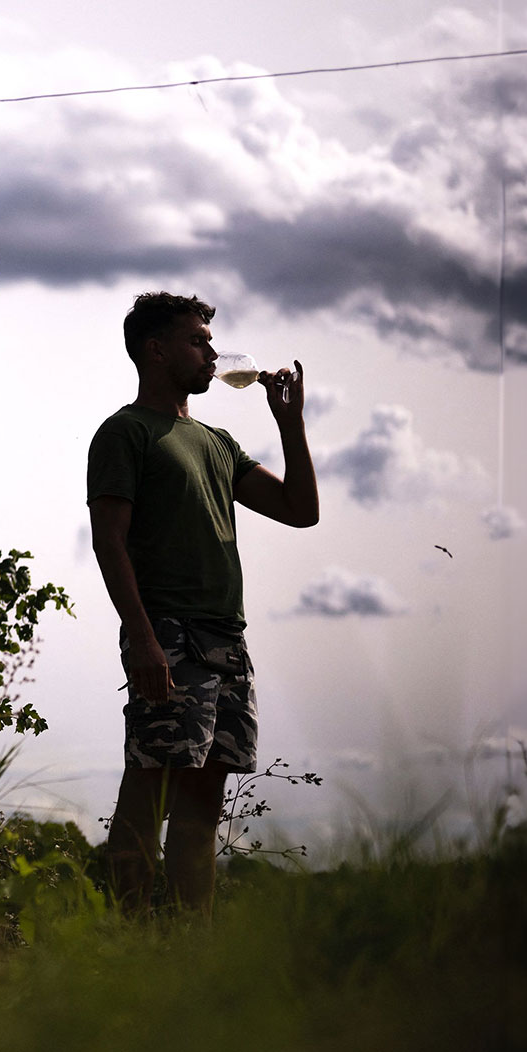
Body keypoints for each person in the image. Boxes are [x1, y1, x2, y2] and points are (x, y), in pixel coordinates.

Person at [87, 292, 318, 916]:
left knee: (200, 812)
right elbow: (108, 541)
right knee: (150, 790)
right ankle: (125, 950)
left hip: (226, 640)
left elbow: (302, 512)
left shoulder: (217, 440)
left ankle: (190, 956)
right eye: (197, 341)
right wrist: (142, 640)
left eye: (211, 341)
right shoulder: (125, 432)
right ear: (155, 350)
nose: (212, 353)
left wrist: (288, 421)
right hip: (169, 634)